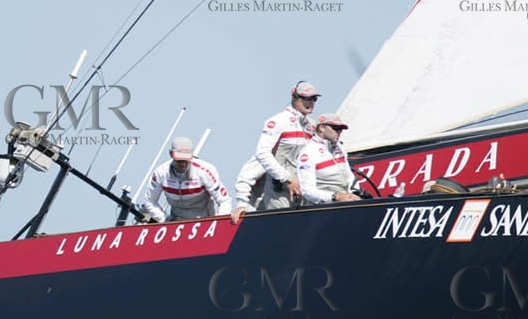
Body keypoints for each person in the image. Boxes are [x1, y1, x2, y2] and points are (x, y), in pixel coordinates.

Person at [231, 80, 320, 223]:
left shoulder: (312, 126)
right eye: (306, 98)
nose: (311, 102)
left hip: (303, 193)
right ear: (294, 98)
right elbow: (261, 155)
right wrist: (242, 204)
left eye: (314, 98)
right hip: (278, 193)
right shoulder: (279, 121)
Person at [135, 136, 233, 222]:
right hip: (176, 222)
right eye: (179, 159)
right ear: (171, 154)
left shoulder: (206, 171)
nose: (183, 164)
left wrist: (218, 223)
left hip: (205, 221)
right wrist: (167, 220)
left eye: (186, 159)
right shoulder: (161, 173)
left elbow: (224, 200)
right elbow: (149, 202)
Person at [296, 114, 362, 204]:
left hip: (346, 202)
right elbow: (307, 190)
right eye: (335, 128)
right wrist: (336, 197)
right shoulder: (307, 153)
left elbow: (349, 176)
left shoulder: (339, 147)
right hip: (324, 206)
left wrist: (355, 193)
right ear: (321, 128)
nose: (339, 132)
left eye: (341, 129)